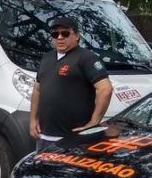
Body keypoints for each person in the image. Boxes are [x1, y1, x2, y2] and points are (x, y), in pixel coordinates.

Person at [29, 16, 114, 151]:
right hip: (44, 137)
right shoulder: (47, 58)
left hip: (72, 139)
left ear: (77, 36)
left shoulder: (86, 58)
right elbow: (37, 90)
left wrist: (94, 122)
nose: (60, 37)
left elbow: (105, 89)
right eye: (55, 34)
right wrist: (33, 119)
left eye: (65, 33)